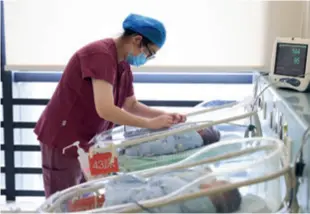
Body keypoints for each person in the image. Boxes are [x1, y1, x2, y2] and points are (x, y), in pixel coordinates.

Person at [34, 13, 186, 198]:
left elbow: (130, 104)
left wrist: (165, 116)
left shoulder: (123, 63)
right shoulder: (100, 55)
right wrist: (149, 124)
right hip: (64, 137)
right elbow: (105, 109)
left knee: (87, 198)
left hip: (91, 140)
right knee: (63, 200)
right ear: (137, 40)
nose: (146, 58)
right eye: (149, 53)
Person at [103, 167, 242, 213]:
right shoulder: (201, 202)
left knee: (126, 188)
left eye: (220, 182)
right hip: (147, 203)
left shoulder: (193, 196)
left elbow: (165, 181)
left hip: (124, 202)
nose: (215, 181)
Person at [121, 126, 221, 157]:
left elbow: (174, 130)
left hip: (165, 142)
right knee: (146, 147)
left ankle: (126, 148)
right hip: (165, 145)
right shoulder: (196, 145)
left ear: (203, 133)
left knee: (145, 143)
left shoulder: (193, 135)